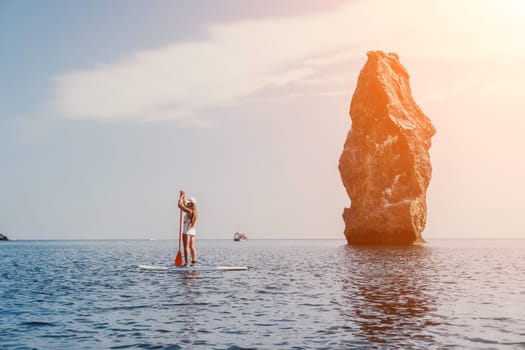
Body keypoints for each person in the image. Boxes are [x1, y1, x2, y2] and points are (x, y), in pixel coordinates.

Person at [178, 190, 198, 266]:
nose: (187, 203)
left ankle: (186, 263)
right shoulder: (194, 211)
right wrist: (183, 196)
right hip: (192, 231)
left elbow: (179, 205)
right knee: (192, 247)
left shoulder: (189, 211)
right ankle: (193, 262)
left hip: (187, 230)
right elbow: (184, 204)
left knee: (186, 247)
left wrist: (180, 197)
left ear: (191, 204)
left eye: (188, 203)